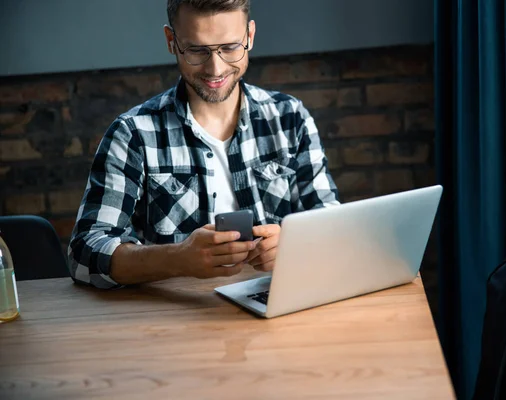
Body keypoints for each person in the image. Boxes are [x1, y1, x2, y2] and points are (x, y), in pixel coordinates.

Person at [68, 0, 339, 289]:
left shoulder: (290, 118)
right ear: (172, 42)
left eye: (230, 47)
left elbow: (335, 227)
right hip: (173, 319)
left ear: (250, 36)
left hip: (278, 302)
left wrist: (295, 243)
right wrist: (178, 258)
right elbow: (84, 254)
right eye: (197, 50)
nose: (215, 69)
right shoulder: (132, 134)